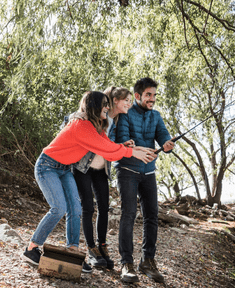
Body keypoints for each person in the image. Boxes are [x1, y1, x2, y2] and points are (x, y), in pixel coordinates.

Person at [22, 91, 153, 273]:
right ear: (94, 105)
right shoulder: (80, 125)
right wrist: (131, 153)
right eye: (105, 104)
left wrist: (132, 149)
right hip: (47, 166)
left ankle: (72, 252)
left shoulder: (95, 127)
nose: (107, 108)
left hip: (64, 169)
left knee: (75, 209)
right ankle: (31, 248)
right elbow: (105, 147)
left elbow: (108, 151)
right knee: (59, 208)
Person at [71, 87, 149, 270]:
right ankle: (91, 249)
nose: (129, 104)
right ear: (113, 101)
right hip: (83, 167)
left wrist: (121, 145)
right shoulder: (87, 115)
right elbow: (87, 138)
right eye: (126, 100)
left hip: (101, 169)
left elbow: (107, 145)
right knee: (88, 207)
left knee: (104, 207)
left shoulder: (113, 120)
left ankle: (102, 246)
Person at [115, 77, 175, 283]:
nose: (152, 99)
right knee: (129, 214)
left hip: (149, 173)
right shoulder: (125, 114)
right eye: (149, 95)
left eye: (154, 95)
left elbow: (164, 137)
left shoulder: (156, 116)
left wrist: (167, 145)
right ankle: (126, 264)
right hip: (127, 171)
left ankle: (147, 261)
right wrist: (132, 148)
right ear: (138, 95)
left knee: (151, 216)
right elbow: (122, 141)